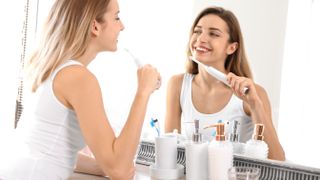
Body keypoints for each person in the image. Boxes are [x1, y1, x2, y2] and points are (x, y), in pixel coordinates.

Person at [0, 0, 161, 179]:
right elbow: (120, 171)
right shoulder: (79, 78)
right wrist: (143, 92)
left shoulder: (53, 68)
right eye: (116, 18)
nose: (122, 26)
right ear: (95, 26)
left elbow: (54, 150)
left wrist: (102, 166)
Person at [164, 6, 285, 161]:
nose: (201, 39)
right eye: (197, 31)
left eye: (213, 34)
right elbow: (170, 152)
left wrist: (255, 105)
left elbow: (277, 160)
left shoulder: (253, 93)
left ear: (231, 47)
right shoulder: (177, 85)